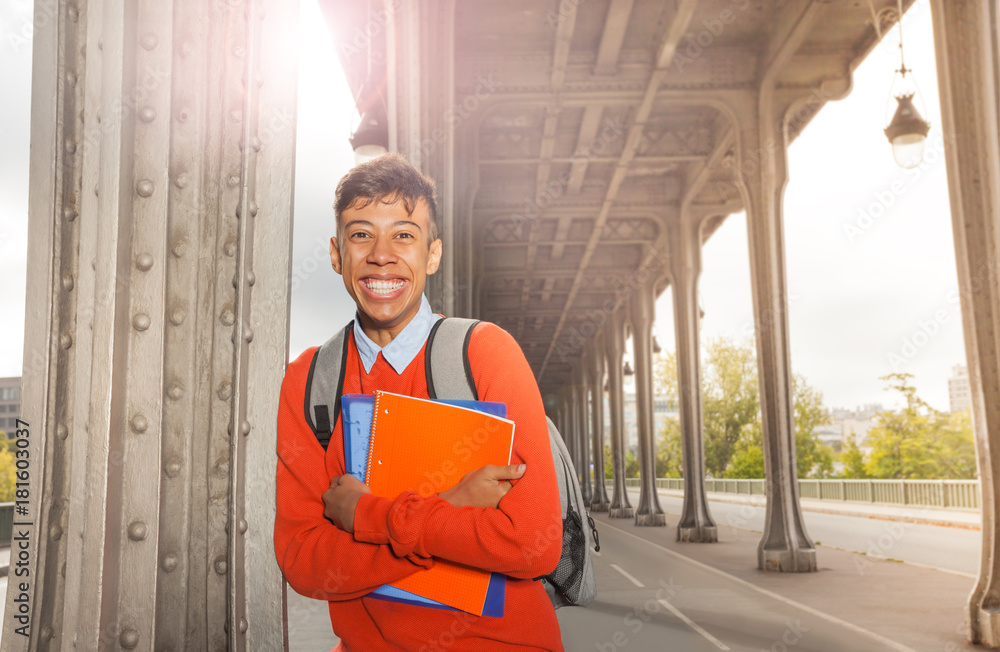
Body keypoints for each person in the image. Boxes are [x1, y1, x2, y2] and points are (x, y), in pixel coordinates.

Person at [274, 153, 564, 651]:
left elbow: (531, 545)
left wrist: (368, 517)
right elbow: (306, 564)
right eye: (361, 234)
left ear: (432, 255)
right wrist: (452, 509)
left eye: (404, 235)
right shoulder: (309, 381)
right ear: (336, 254)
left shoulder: (485, 354)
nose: (382, 254)